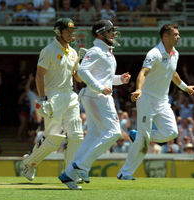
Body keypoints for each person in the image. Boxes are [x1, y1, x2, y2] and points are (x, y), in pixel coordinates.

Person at [117, 24, 194, 180]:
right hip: (146, 99)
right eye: (175, 34)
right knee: (143, 143)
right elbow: (143, 72)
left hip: (163, 102)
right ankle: (125, 173)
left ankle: (138, 135)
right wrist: (139, 89)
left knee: (171, 132)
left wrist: (184, 87)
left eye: (178, 34)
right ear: (165, 36)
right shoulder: (154, 53)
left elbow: (173, 73)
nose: (178, 37)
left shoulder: (175, 53)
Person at [59, 19, 131, 189]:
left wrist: (120, 79)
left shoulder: (106, 51)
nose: (113, 34)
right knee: (113, 133)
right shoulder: (97, 50)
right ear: (100, 34)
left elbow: (104, 79)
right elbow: (83, 71)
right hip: (96, 97)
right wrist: (99, 88)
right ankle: (82, 165)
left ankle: (69, 174)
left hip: (97, 96)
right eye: (110, 31)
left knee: (92, 136)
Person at [21, 18, 85, 183]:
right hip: (53, 95)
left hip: (70, 95)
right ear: (58, 32)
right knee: (54, 139)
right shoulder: (48, 50)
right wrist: (42, 98)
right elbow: (39, 75)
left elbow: (77, 78)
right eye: (68, 31)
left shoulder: (73, 52)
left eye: (72, 31)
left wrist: (82, 63)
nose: (72, 34)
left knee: (77, 134)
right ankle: (28, 163)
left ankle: (70, 173)